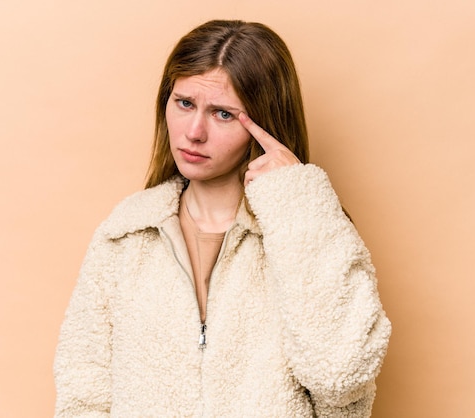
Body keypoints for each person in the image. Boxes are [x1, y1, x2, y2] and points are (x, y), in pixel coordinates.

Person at [54, 19, 391, 417]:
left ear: (264, 121)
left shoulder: (310, 231)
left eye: (223, 114)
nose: (194, 132)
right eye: (184, 103)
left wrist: (293, 198)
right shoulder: (125, 235)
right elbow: (83, 396)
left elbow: (341, 375)